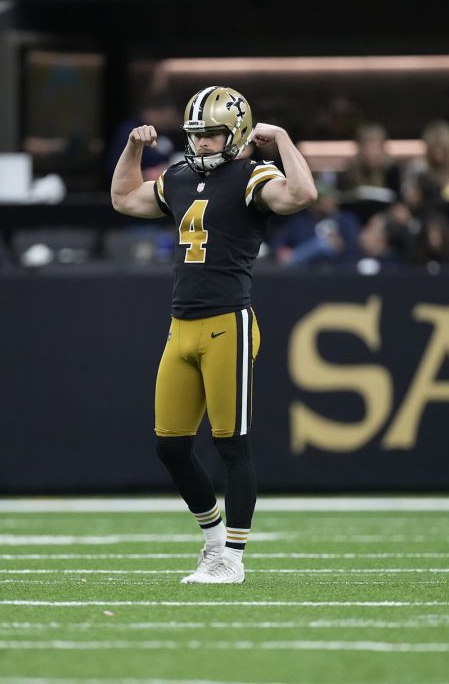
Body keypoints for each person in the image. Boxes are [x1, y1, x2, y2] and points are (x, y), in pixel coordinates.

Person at [110, 86, 316, 585]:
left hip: (229, 322)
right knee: (171, 447)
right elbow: (123, 198)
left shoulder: (251, 176)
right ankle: (213, 543)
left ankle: (234, 559)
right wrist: (134, 148)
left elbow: (302, 194)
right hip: (181, 325)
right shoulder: (179, 178)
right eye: (196, 134)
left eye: (212, 135)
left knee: (231, 445)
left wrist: (284, 138)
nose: (201, 144)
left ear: (238, 134)